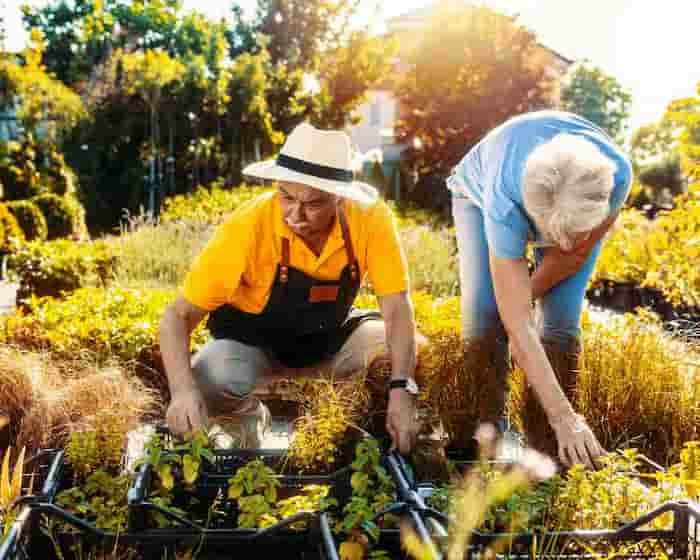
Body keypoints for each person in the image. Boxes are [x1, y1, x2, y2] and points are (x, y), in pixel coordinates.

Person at [159, 122, 421, 454]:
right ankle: (249, 421)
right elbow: (176, 315)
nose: (295, 215)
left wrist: (402, 388)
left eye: (312, 204)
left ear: (339, 199)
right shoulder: (250, 225)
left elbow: (397, 307)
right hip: (253, 347)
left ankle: (357, 435)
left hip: (327, 342)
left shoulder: (369, 219)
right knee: (207, 379)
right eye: (286, 196)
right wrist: (182, 392)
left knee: (406, 355)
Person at [447, 110, 633, 469]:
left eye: (570, 233)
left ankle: (552, 449)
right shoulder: (504, 198)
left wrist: (521, 300)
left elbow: (573, 252)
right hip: (478, 195)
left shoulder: (615, 176)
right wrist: (513, 311)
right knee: (484, 314)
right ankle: (487, 437)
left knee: (560, 322)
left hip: (574, 198)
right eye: (553, 231)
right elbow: (517, 323)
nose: (560, 241)